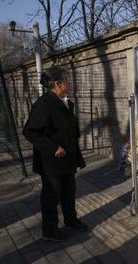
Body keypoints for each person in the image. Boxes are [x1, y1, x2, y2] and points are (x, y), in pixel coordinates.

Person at [23, 66, 88, 242]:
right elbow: (30, 131)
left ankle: (71, 221)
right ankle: (50, 230)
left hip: (66, 160)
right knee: (52, 196)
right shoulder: (45, 104)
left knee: (68, 192)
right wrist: (53, 147)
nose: (70, 82)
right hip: (51, 161)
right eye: (67, 79)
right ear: (57, 84)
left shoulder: (61, 100)